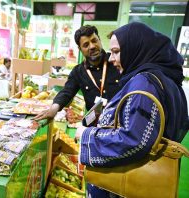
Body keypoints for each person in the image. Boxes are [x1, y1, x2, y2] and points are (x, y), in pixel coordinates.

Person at [76, 22, 188, 197]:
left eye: (116, 52)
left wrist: (86, 135)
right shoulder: (162, 76)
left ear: (135, 48)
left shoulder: (144, 83)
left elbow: (134, 140)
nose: (111, 58)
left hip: (125, 184)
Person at [34, 25, 121, 120]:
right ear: (80, 49)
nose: (92, 46)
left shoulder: (117, 62)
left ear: (99, 40)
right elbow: (67, 91)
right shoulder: (78, 72)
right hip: (96, 124)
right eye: (86, 45)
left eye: (94, 40)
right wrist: (54, 108)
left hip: (120, 121)